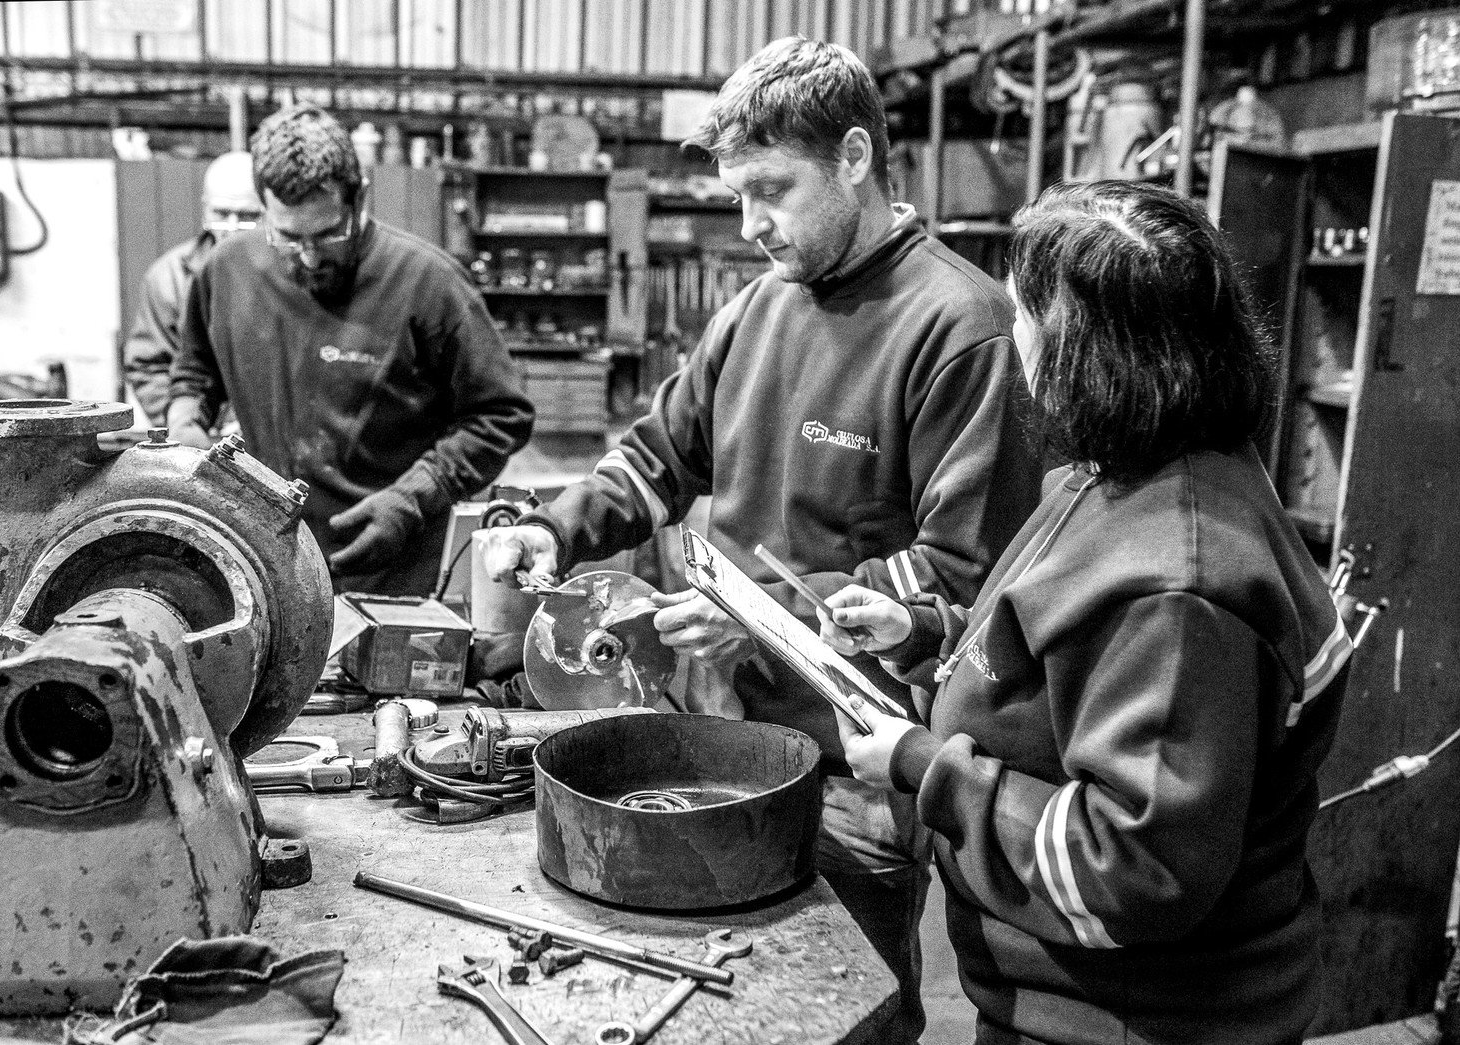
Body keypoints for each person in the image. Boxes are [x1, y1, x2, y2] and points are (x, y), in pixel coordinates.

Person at [479, 38, 1041, 1042]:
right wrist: (550, 528)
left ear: (855, 159)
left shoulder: (961, 328)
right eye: (736, 195)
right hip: (710, 738)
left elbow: (966, 575)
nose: (749, 226)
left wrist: (763, 618)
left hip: (847, 772)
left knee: (844, 1017)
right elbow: (657, 458)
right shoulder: (754, 309)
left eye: (771, 191)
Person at [818, 181, 1353, 1045]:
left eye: (1025, 312)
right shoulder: (1112, 474)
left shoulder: (1179, 587)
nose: (1014, 337)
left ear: (1084, 347)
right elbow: (1066, 669)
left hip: (1127, 1023)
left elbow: (1132, 866)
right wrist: (925, 637)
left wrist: (922, 764)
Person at [168, 105, 534, 597]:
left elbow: (501, 415)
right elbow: (194, 372)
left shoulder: (428, 284)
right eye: (289, 237)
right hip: (262, 560)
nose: (310, 256)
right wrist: (184, 421)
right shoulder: (226, 271)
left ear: (359, 196)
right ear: (264, 206)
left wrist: (414, 497)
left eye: (328, 234)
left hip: (388, 568)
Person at [123, 151, 262, 426]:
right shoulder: (168, 278)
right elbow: (149, 366)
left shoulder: (288, 276)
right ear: (204, 209)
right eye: (221, 213)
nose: (232, 227)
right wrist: (183, 424)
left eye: (247, 215)